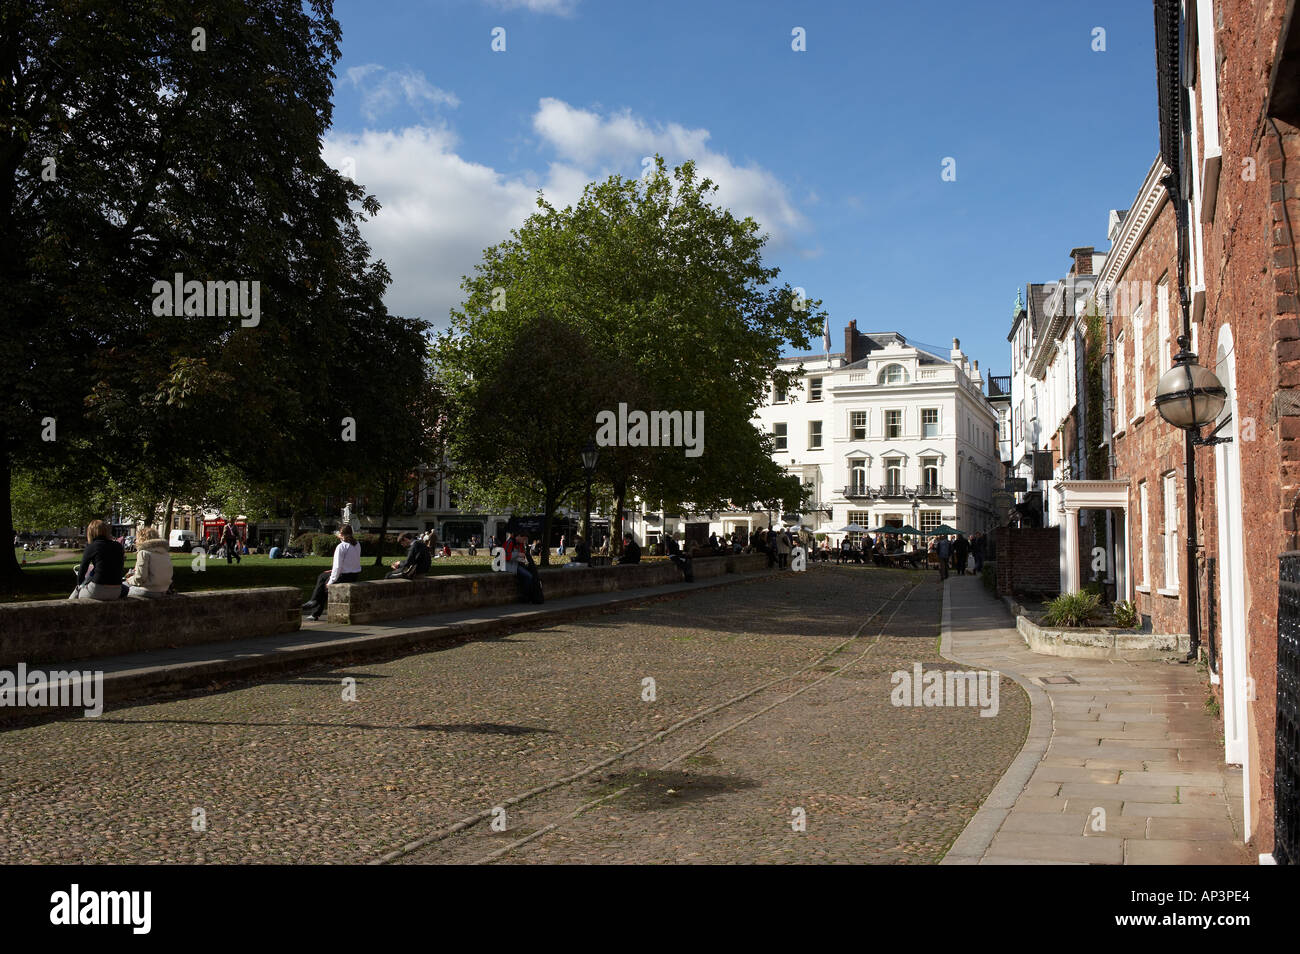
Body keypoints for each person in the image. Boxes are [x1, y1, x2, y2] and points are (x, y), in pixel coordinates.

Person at [302, 525, 362, 621]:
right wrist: (332, 573)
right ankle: (314, 608)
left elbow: (338, 566)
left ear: (341, 534)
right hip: (353, 575)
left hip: (344, 576)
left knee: (323, 583)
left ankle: (314, 603)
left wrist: (331, 582)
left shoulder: (341, 546)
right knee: (323, 577)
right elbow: (351, 562)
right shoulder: (357, 544)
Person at [70, 519, 126, 601]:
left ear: (90, 532)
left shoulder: (92, 546)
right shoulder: (118, 546)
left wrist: (81, 585)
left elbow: (82, 570)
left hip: (97, 589)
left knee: (77, 591)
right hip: (116, 590)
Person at [125, 526, 173, 598]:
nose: (135, 541)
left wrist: (129, 579)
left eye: (137, 538)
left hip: (148, 590)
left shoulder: (143, 553)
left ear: (142, 539)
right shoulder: (165, 553)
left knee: (121, 588)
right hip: (164, 589)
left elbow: (140, 578)